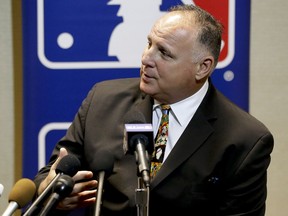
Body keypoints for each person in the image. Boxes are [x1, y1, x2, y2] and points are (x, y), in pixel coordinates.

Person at [34, 4, 274, 216]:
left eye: (164, 53)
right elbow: (50, 174)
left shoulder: (245, 140)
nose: (146, 58)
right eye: (149, 44)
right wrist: (51, 188)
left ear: (202, 67)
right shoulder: (102, 101)